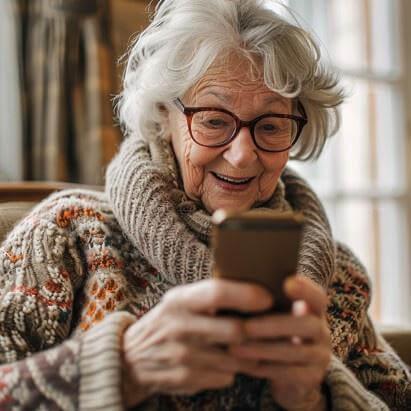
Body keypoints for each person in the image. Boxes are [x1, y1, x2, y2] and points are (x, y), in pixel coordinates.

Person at [0, 0, 409, 409]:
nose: (243, 155)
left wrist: (317, 396)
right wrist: (122, 367)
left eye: (269, 126)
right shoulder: (65, 236)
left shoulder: (340, 276)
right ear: (164, 117)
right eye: (214, 120)